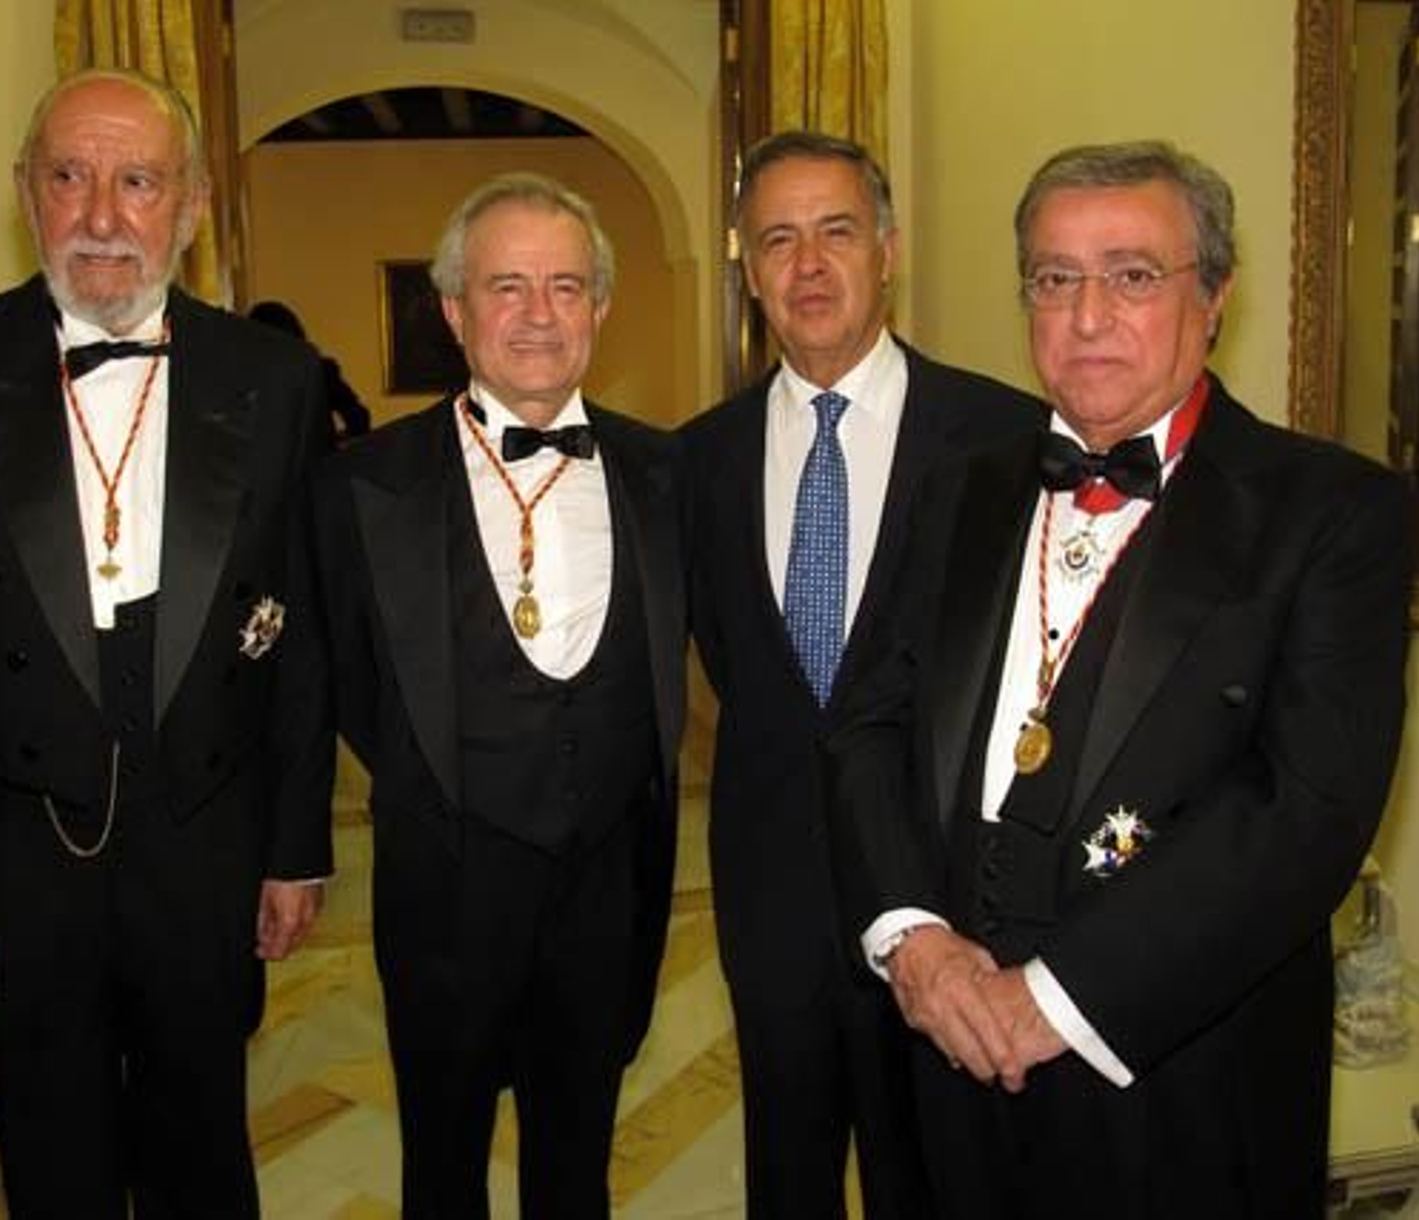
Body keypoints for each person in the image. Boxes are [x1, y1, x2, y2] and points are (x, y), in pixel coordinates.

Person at [828, 140, 1412, 1219]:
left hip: (1180, 1065)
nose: (1087, 314)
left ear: (1214, 296)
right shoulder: (955, 490)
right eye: (1055, 278)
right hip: (941, 1039)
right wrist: (911, 937)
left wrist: (1055, 999)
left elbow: (1305, 812)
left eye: (1132, 274)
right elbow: (870, 720)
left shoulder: (1333, 513)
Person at [0, 68, 334, 1219]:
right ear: (25, 192)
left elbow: (306, 633)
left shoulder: (272, 377)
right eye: (70, 176)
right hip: (14, 859)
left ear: (194, 202)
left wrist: (295, 844)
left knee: (205, 1169)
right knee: (51, 1174)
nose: (104, 216)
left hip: (204, 848)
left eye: (139, 180)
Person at [313, 172, 684, 1219]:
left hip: (609, 896)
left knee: (578, 1172)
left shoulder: (667, 476)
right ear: (453, 309)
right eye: (506, 285)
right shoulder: (358, 488)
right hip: (444, 896)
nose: (536, 314)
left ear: (601, 309)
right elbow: (347, 680)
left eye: (565, 287)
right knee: (441, 1174)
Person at [681, 130, 1036, 1218]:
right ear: (747, 270)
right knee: (784, 1171)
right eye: (777, 240)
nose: (809, 265)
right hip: (769, 888)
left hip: (944, 896)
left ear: (887, 250)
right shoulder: (695, 457)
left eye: (836, 231)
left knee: (930, 1173)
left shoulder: (1006, 437)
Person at [248, 298, 372, 445]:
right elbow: (359, 419)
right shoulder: (319, 370)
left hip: (270, 461)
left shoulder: (252, 375)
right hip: (316, 461)